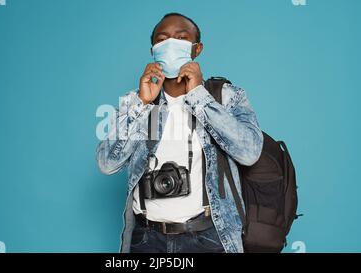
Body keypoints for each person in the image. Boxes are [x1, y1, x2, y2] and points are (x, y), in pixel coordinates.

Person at [96, 12, 263, 253]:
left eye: (181, 37)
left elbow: (249, 153)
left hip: (208, 236)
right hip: (147, 238)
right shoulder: (138, 101)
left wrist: (198, 96)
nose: (170, 44)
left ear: (197, 49)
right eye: (162, 39)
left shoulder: (225, 96)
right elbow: (107, 163)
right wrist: (142, 104)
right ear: (153, 49)